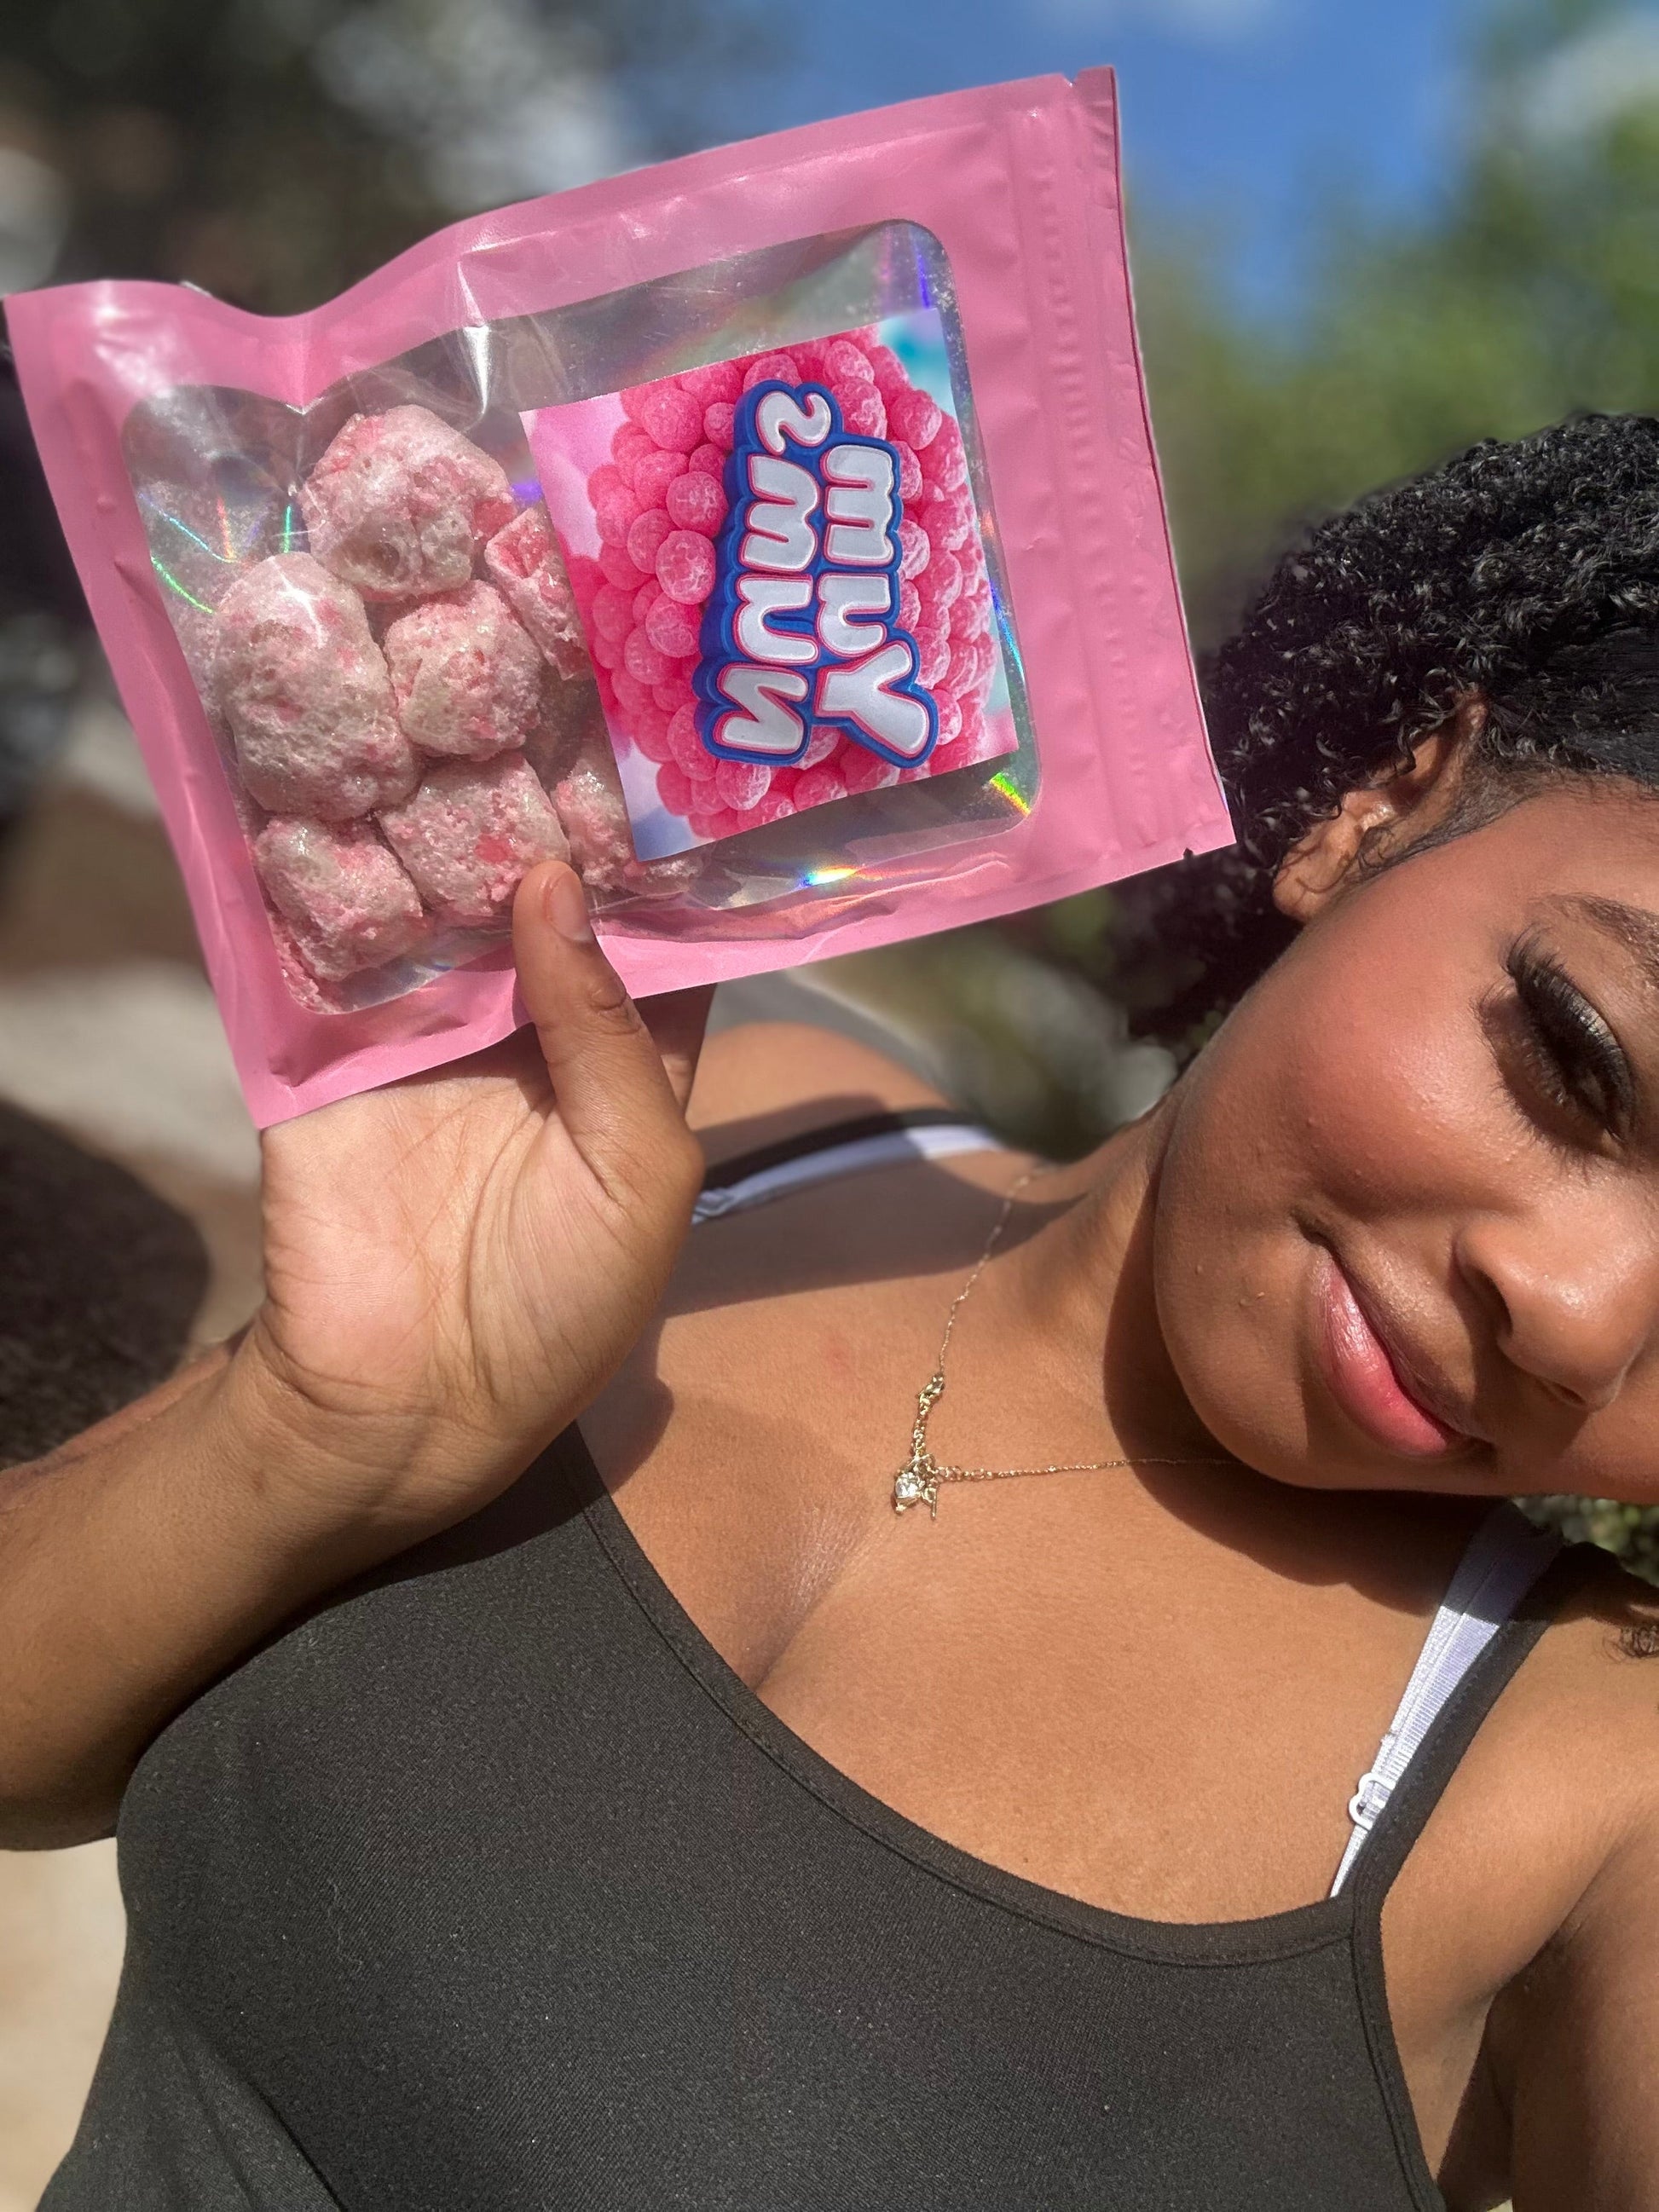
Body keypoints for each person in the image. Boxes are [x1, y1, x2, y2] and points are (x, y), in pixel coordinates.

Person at [9, 413, 1659, 2212]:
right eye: (1575, 1058)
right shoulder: (712, 1141)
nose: (1578, 1318)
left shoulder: (1587, 1793)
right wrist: (317, 1425)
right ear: (1380, 809)